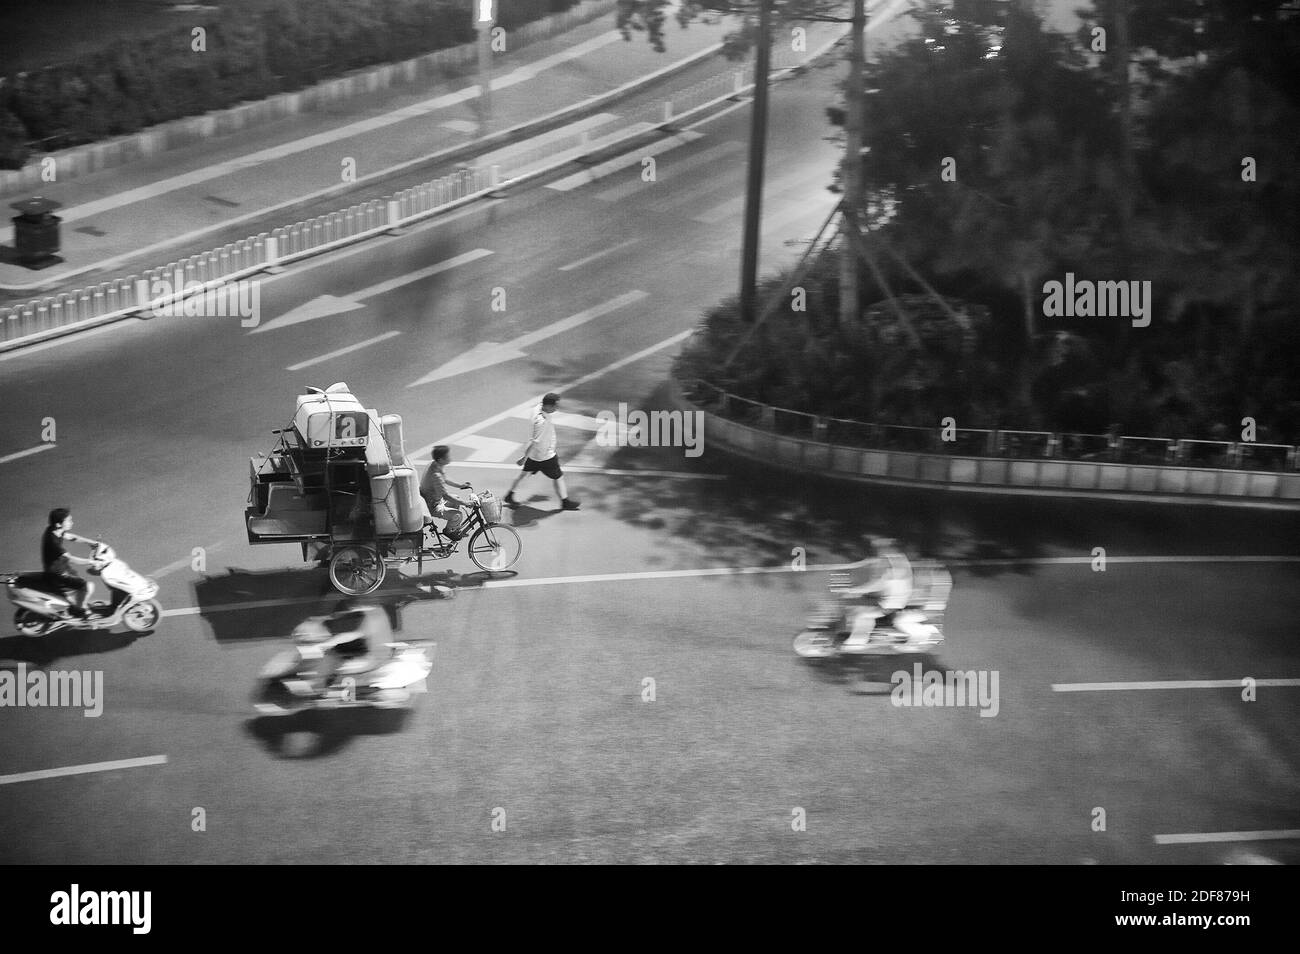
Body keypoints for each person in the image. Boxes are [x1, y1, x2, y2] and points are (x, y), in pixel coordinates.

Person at [503, 392, 580, 511]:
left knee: (523, 474)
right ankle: (565, 502)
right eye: (555, 406)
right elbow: (535, 441)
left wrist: (527, 457)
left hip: (534, 456)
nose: (557, 408)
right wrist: (524, 458)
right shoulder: (541, 422)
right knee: (558, 477)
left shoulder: (537, 408)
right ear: (548, 406)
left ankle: (509, 495)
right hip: (546, 456)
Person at [42, 508, 95, 618]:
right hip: (58, 573)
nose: (72, 522)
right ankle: (78, 610)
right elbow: (71, 558)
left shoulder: (55, 530)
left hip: (61, 566)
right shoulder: (52, 542)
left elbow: (71, 537)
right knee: (85, 585)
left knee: (78, 580)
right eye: (69, 521)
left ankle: (75, 603)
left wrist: (91, 542)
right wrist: (91, 561)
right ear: (58, 524)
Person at [419, 445, 476, 541]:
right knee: (458, 515)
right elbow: (446, 496)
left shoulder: (434, 464)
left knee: (456, 498)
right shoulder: (436, 475)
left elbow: (445, 479)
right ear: (441, 459)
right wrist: (466, 503)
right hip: (432, 506)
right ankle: (448, 531)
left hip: (433, 499)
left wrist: (460, 485)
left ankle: (453, 528)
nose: (450, 458)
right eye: (448, 456)